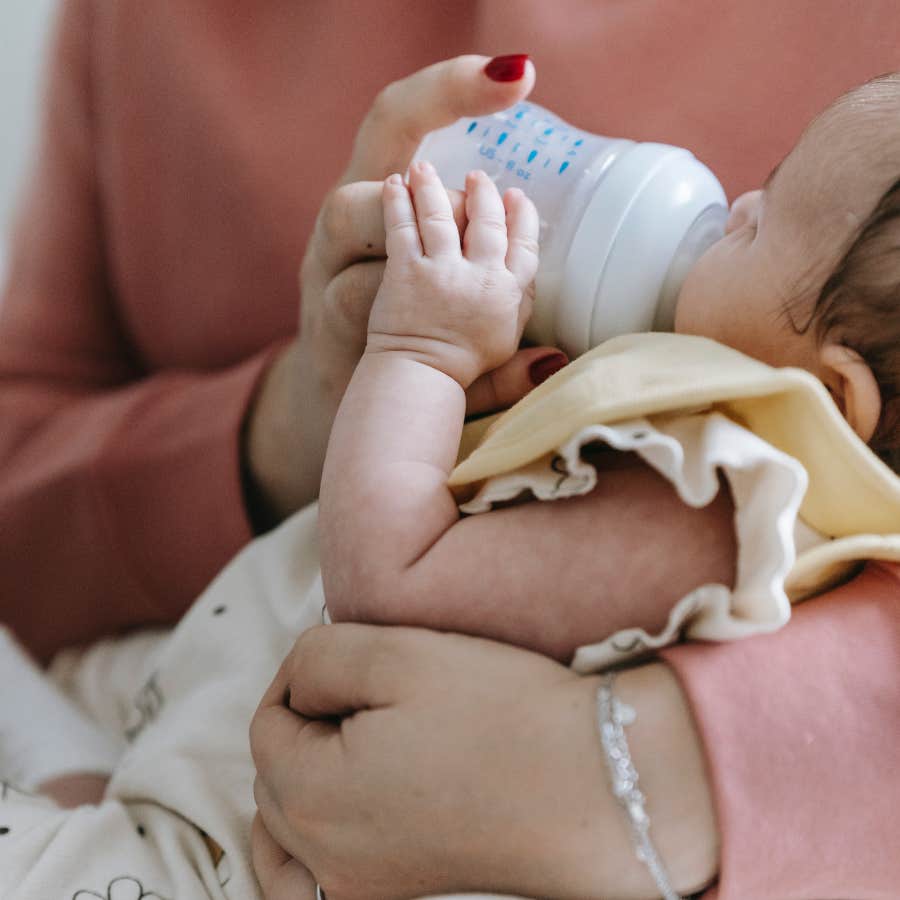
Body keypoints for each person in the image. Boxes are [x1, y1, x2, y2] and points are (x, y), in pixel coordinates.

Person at [1, 1, 899, 896]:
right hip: (180, 703)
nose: (732, 200)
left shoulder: (711, 492)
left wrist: (418, 357)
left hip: (254, 833)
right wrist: (291, 420)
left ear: (829, 396)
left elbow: (388, 581)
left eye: (764, 220)